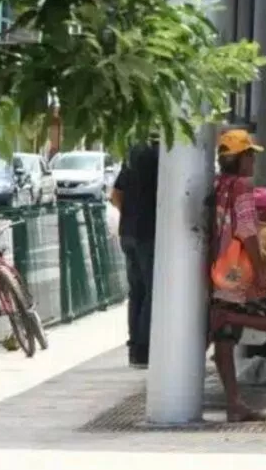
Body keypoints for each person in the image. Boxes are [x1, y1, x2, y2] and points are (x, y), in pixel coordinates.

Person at [208, 129, 266, 422]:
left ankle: (234, 403)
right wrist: (262, 270)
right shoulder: (243, 187)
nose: (253, 162)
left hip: (218, 270)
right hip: (240, 272)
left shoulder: (218, 184)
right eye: (250, 156)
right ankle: (231, 318)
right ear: (242, 157)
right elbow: (246, 229)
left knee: (224, 340)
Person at [110, 137, 159, 369]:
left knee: (136, 291)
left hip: (128, 232)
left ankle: (135, 350)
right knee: (152, 291)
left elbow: (115, 195)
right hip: (149, 234)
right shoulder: (163, 158)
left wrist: (129, 214)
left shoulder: (132, 155)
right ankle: (145, 349)